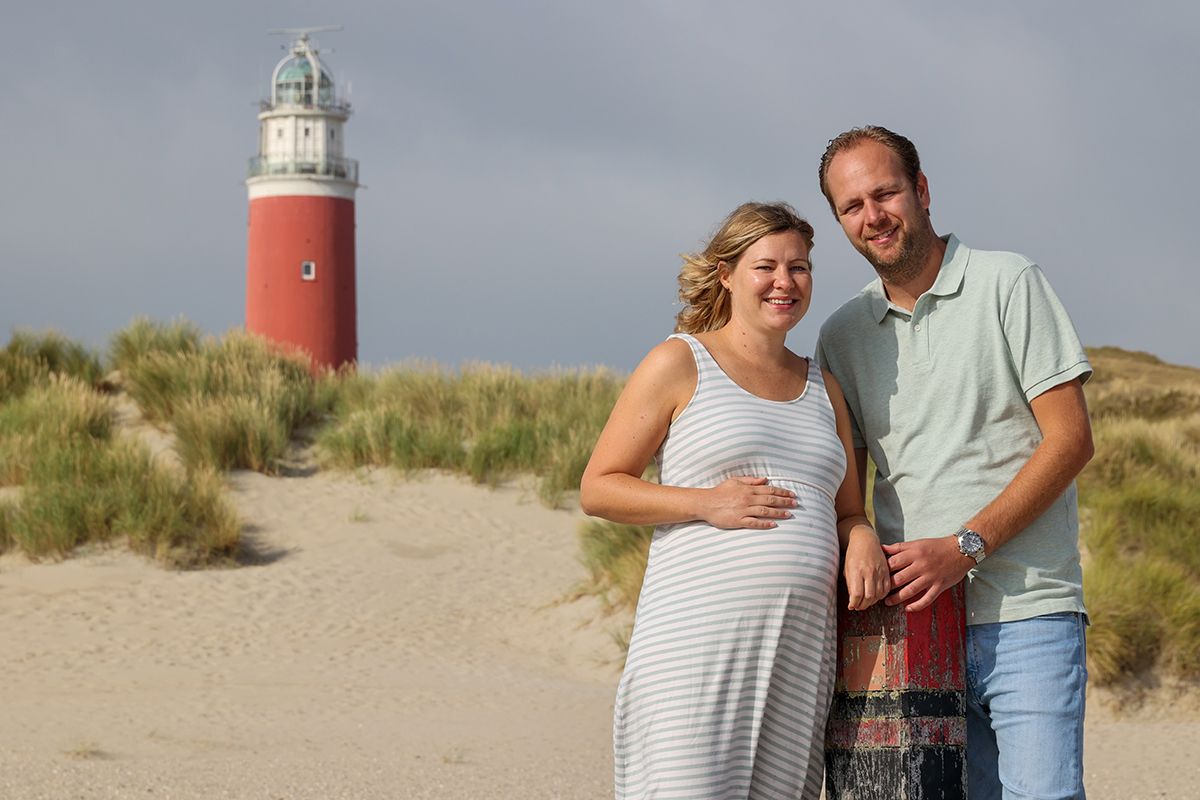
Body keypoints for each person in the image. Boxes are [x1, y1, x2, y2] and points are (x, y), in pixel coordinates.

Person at [814, 126, 1094, 799]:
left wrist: (964, 548)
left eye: (885, 192)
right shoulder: (841, 334)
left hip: (1029, 611)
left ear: (922, 190)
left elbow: (1070, 440)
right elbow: (847, 494)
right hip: (909, 627)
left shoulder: (1008, 281)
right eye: (852, 206)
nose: (872, 215)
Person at [580, 202, 888, 800]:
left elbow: (847, 509)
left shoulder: (823, 387)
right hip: (696, 651)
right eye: (765, 266)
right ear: (726, 274)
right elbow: (600, 486)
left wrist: (863, 533)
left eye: (799, 268)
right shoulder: (681, 360)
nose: (784, 282)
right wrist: (705, 503)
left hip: (800, 657)